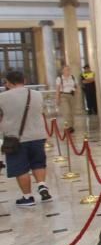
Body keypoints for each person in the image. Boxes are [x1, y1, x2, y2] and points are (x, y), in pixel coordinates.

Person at [0, 71, 51, 206]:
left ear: (8, 82)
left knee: (20, 168)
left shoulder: (3, 97)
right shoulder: (36, 94)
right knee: (38, 163)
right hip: (37, 135)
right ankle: (42, 186)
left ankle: (27, 197)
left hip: (15, 139)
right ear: (24, 80)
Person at [55, 64, 77, 133]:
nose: (68, 71)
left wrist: (75, 90)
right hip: (63, 95)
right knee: (66, 112)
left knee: (72, 112)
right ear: (63, 71)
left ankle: (72, 126)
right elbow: (58, 89)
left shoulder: (73, 77)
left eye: (68, 69)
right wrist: (57, 99)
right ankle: (68, 127)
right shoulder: (59, 78)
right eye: (66, 69)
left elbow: (76, 86)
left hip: (72, 95)